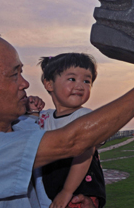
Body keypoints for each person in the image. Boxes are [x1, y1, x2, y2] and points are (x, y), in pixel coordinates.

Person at [0, 31, 134, 207]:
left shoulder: (26, 125)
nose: (25, 83)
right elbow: (75, 140)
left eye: (87, 81)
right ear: (49, 84)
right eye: (14, 74)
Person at [34, 53, 105, 208]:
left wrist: (67, 191)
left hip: (78, 193)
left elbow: (85, 153)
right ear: (49, 84)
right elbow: (30, 129)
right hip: (54, 193)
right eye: (72, 79)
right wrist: (30, 106)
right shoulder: (45, 116)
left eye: (87, 81)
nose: (80, 86)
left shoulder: (84, 116)